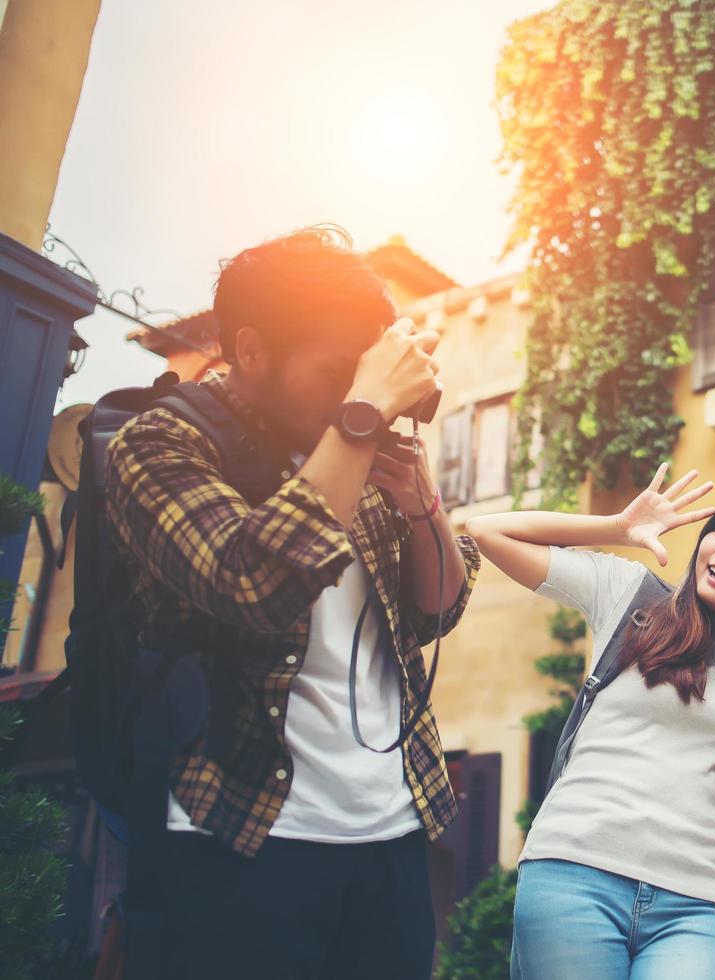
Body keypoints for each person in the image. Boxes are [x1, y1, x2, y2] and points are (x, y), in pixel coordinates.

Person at [103, 227, 480, 979]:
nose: (351, 394)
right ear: (251, 351)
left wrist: (419, 504)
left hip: (393, 831)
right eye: (337, 372)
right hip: (241, 834)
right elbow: (256, 585)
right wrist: (363, 412)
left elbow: (438, 608)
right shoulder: (161, 443)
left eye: (363, 375)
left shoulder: (351, 439)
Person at [467, 469, 715, 980]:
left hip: (694, 901)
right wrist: (618, 525)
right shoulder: (630, 597)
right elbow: (486, 531)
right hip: (574, 872)